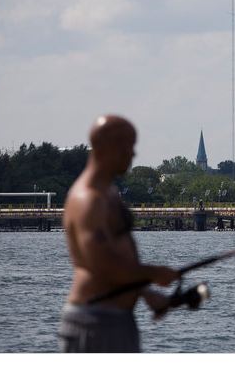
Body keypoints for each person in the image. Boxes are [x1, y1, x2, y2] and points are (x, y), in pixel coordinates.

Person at [59, 115, 178, 353]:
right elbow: (102, 264)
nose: (132, 154)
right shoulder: (87, 200)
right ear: (104, 147)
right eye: (126, 146)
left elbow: (117, 260)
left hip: (118, 320)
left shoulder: (109, 193)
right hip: (94, 322)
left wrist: (145, 293)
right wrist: (154, 274)